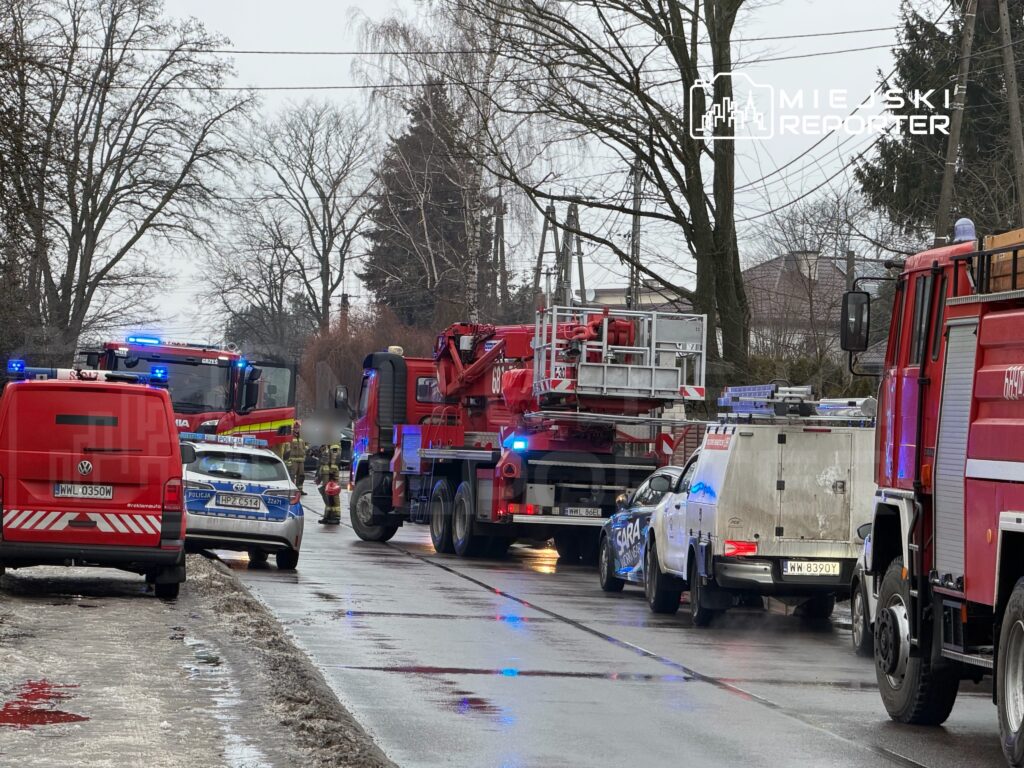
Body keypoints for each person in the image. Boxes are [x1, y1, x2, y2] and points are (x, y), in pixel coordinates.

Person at [317, 443, 342, 525]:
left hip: (331, 474)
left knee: (334, 494)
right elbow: (322, 460)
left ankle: (336, 517)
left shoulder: (334, 446)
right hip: (325, 473)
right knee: (326, 494)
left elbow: (335, 460)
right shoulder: (326, 445)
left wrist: (332, 473)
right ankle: (327, 516)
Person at [284, 424, 308, 496]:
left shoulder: (302, 436)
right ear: (293, 428)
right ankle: (291, 489)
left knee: (301, 475)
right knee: (292, 475)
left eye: (298, 428)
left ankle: (300, 490)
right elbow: (287, 446)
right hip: (293, 459)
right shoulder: (290, 436)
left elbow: (307, 444)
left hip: (301, 459)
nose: (297, 429)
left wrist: (305, 449)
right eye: (295, 428)